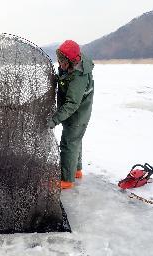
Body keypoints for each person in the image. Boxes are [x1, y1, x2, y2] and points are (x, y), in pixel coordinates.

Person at [47, 40, 94, 189]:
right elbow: (64, 78)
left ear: (72, 60)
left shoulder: (79, 76)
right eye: (59, 61)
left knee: (68, 144)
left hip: (77, 115)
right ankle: (77, 170)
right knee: (76, 140)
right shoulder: (70, 67)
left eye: (62, 61)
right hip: (76, 113)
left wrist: (54, 120)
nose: (60, 64)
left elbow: (72, 104)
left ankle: (67, 179)